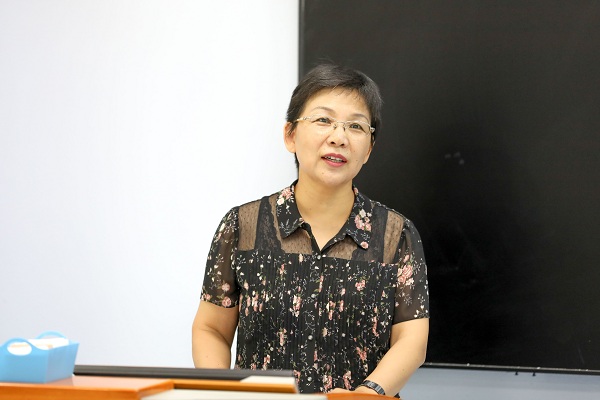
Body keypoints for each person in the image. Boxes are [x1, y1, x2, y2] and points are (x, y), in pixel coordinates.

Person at [192, 64, 429, 397]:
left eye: (356, 126)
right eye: (323, 120)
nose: (338, 137)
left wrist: (368, 393)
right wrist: (222, 392)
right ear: (290, 135)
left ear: (369, 148)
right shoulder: (243, 225)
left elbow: (411, 341)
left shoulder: (396, 234)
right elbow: (211, 329)